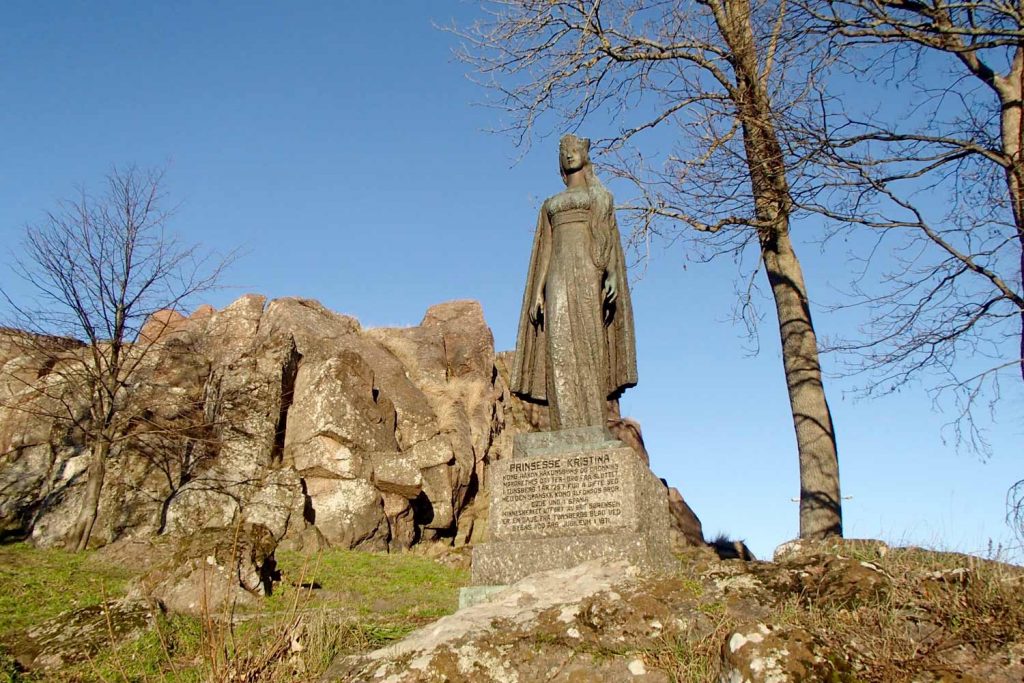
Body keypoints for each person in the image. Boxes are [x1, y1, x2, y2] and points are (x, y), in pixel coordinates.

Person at [511, 134, 637, 429]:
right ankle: (564, 426)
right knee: (559, 344)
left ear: (584, 154)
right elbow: (545, 250)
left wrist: (613, 274)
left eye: (574, 149)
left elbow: (611, 242)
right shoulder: (550, 204)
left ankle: (593, 423)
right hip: (557, 274)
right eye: (565, 151)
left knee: (590, 344)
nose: (569, 155)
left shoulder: (599, 198)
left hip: (589, 272)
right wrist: (538, 291)